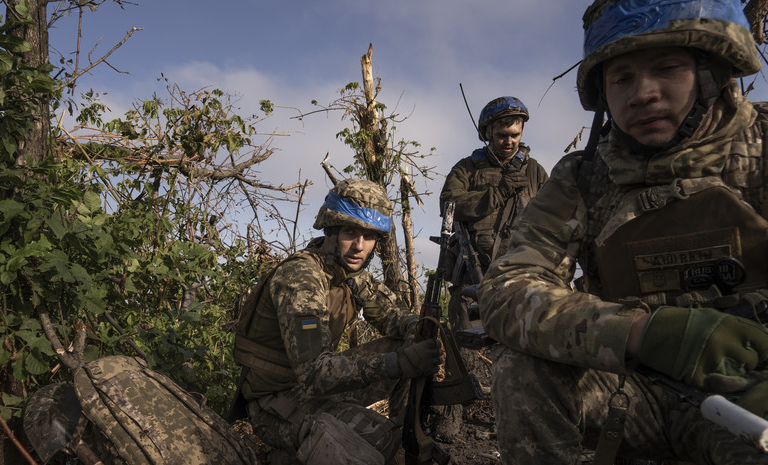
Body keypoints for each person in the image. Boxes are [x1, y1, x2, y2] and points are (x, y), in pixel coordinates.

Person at [479, 0, 768, 464]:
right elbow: (505, 289)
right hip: (633, 388)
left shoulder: (761, 146)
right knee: (521, 368)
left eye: (668, 68)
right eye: (622, 78)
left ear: (709, 71)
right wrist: (639, 332)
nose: (643, 94)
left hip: (747, 396)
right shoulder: (584, 176)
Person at [231, 179, 442, 465]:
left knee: (408, 345)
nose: (359, 246)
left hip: (312, 388)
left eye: (369, 236)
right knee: (377, 444)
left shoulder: (349, 274)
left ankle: (409, 437)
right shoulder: (300, 278)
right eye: (350, 232)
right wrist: (399, 362)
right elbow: (316, 373)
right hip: (274, 402)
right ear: (330, 230)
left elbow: (393, 314)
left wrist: (418, 328)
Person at [440, 96, 547, 331]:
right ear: (488, 133)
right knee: (469, 353)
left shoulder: (535, 172)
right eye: (502, 135)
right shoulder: (466, 168)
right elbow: (448, 205)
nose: (509, 141)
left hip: (525, 279)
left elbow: (554, 219)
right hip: (472, 278)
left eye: (515, 135)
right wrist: (497, 193)